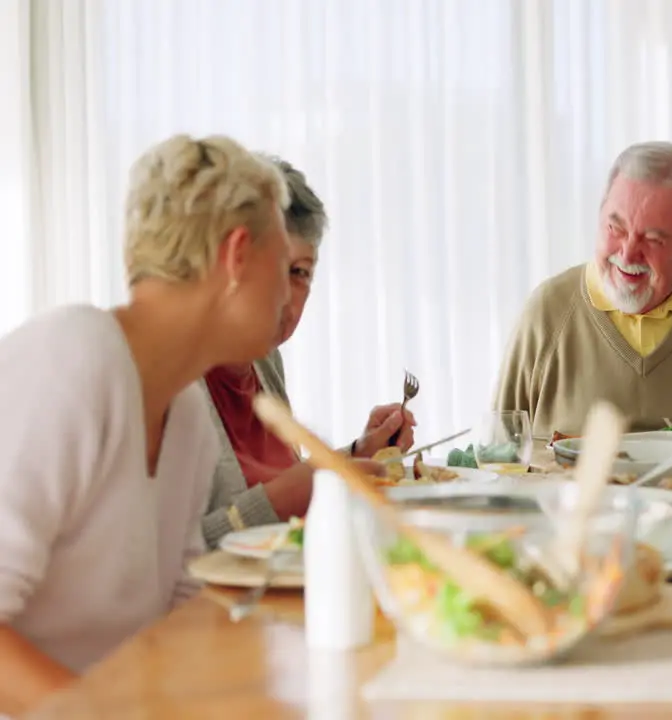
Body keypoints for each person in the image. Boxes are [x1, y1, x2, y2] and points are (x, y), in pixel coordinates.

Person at [0, 134, 292, 715]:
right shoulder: (69, 361)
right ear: (237, 256)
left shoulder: (185, 413)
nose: (288, 295)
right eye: (285, 267)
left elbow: (178, 614)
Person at [494, 141, 672, 437]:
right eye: (615, 228)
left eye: (652, 239)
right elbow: (498, 459)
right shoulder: (547, 313)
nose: (627, 254)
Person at [199, 156, 414, 548]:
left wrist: (358, 451)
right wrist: (279, 502)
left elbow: (288, 486)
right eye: (270, 268)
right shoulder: (171, 383)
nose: (284, 296)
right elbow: (165, 564)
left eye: (299, 272)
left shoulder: (264, 360)